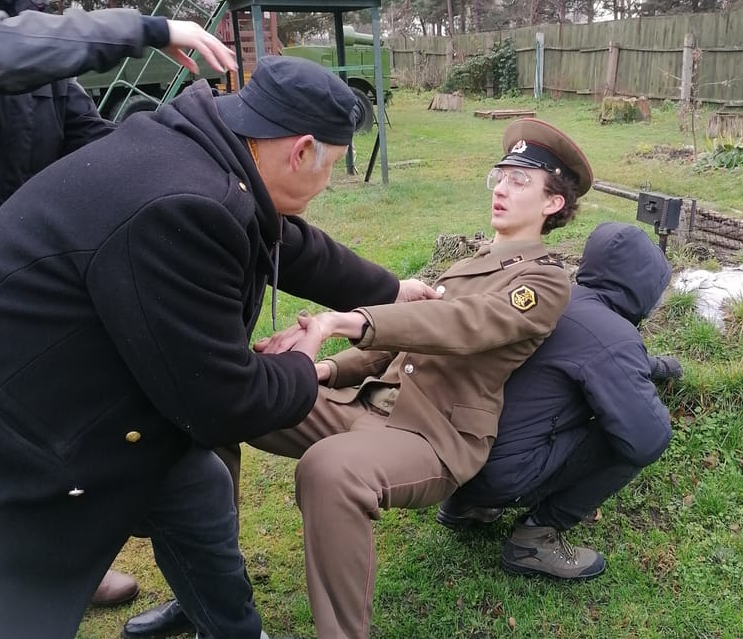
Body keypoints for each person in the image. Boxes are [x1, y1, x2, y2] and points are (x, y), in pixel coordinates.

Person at [0, 54, 438, 639]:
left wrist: (389, 288)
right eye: (329, 167)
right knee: (25, 600)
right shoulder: (188, 205)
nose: (324, 187)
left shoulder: (198, 143)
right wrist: (306, 363)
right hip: (33, 425)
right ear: (301, 151)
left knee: (197, 490)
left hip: (91, 387)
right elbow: (224, 401)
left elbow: (285, 241)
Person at [243, 117, 593, 639]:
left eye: (520, 181)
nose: (500, 187)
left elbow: (463, 325)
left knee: (330, 470)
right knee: (231, 398)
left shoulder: (543, 280)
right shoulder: (467, 266)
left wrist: (348, 320)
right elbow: (402, 344)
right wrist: (320, 369)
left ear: (553, 203)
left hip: (433, 435)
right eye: (499, 175)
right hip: (368, 405)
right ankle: (213, 589)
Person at [0, 0, 238, 609]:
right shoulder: (16, 40)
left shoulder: (38, 51)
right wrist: (152, 29)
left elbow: (96, 145)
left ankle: (68, 549)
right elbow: (3, 50)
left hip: (20, 297)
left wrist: (191, 159)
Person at [435, 222, 679, 580]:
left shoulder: (554, 295)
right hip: (499, 474)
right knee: (629, 437)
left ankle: (466, 505)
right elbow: (647, 439)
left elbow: (590, 351)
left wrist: (656, 367)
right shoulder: (613, 335)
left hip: (453, 454)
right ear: (643, 287)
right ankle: (535, 539)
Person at [0, 0, 238, 215]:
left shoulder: (46, 61)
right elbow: (4, 48)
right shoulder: (15, 45)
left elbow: (91, 141)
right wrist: (146, 30)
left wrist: (195, 161)